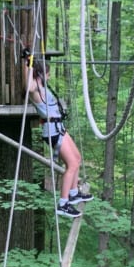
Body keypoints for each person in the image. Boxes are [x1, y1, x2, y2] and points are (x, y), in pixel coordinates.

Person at [21, 48, 92, 218]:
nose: (50, 76)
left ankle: (74, 193)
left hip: (59, 128)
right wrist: (27, 64)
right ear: (40, 75)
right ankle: (63, 203)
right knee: (72, 165)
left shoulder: (44, 88)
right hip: (52, 131)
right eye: (48, 73)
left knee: (77, 158)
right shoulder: (36, 89)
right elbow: (28, 86)